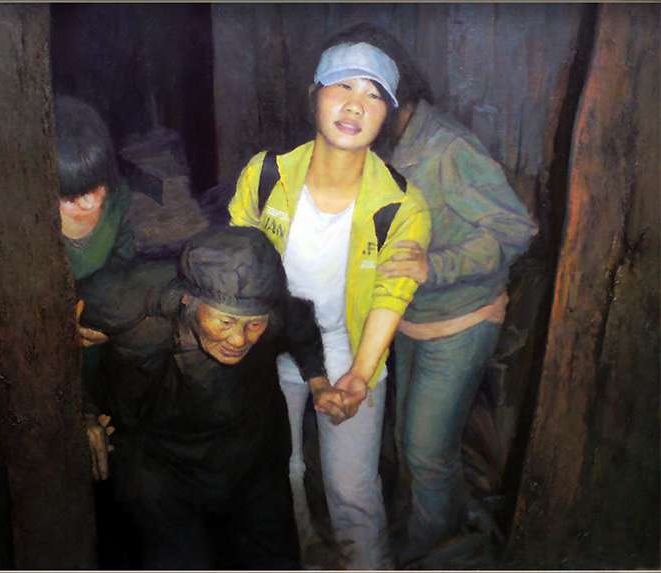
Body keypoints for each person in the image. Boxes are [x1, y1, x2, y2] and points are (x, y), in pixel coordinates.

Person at [228, 31, 432, 570]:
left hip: (349, 353)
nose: (355, 105)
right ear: (314, 93)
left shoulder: (401, 204)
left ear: (387, 115)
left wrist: (359, 377)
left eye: (374, 95)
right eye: (343, 86)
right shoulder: (267, 174)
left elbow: (392, 292)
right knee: (278, 475)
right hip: (266, 347)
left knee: (352, 491)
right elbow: (234, 263)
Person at [344, 22, 539, 567]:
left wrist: (437, 265)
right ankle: (440, 532)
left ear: (396, 91)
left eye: (369, 93)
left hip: (462, 317)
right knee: (410, 444)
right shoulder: (382, 144)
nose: (355, 107)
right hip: (409, 316)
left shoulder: (448, 148)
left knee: (426, 450)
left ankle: (433, 551)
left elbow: (516, 229)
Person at [76, 226, 337, 569]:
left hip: (250, 450)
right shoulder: (125, 303)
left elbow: (301, 328)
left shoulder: (273, 311)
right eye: (225, 322)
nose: (239, 340)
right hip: (157, 457)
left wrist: (318, 380)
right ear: (189, 300)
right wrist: (82, 412)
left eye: (253, 325)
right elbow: (47, 338)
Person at [53, 94, 135, 476]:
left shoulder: (118, 202)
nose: (88, 203)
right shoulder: (31, 222)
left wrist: (104, 315)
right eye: (71, 196)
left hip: (101, 337)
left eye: (96, 186)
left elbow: (124, 264)